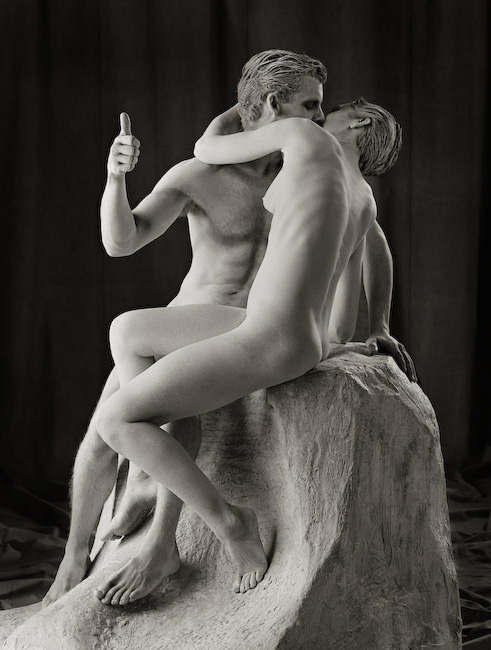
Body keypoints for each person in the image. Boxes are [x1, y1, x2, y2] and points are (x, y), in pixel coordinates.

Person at [42, 49, 412, 609]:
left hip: (258, 331)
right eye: (312, 105)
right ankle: (80, 554)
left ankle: (178, 522)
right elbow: (121, 241)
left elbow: (369, 244)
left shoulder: (306, 156)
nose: (318, 116)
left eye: (324, 109)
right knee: (108, 411)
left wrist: (376, 323)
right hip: (214, 320)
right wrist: (116, 177)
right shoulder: (231, 173)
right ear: (274, 104)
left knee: (125, 406)